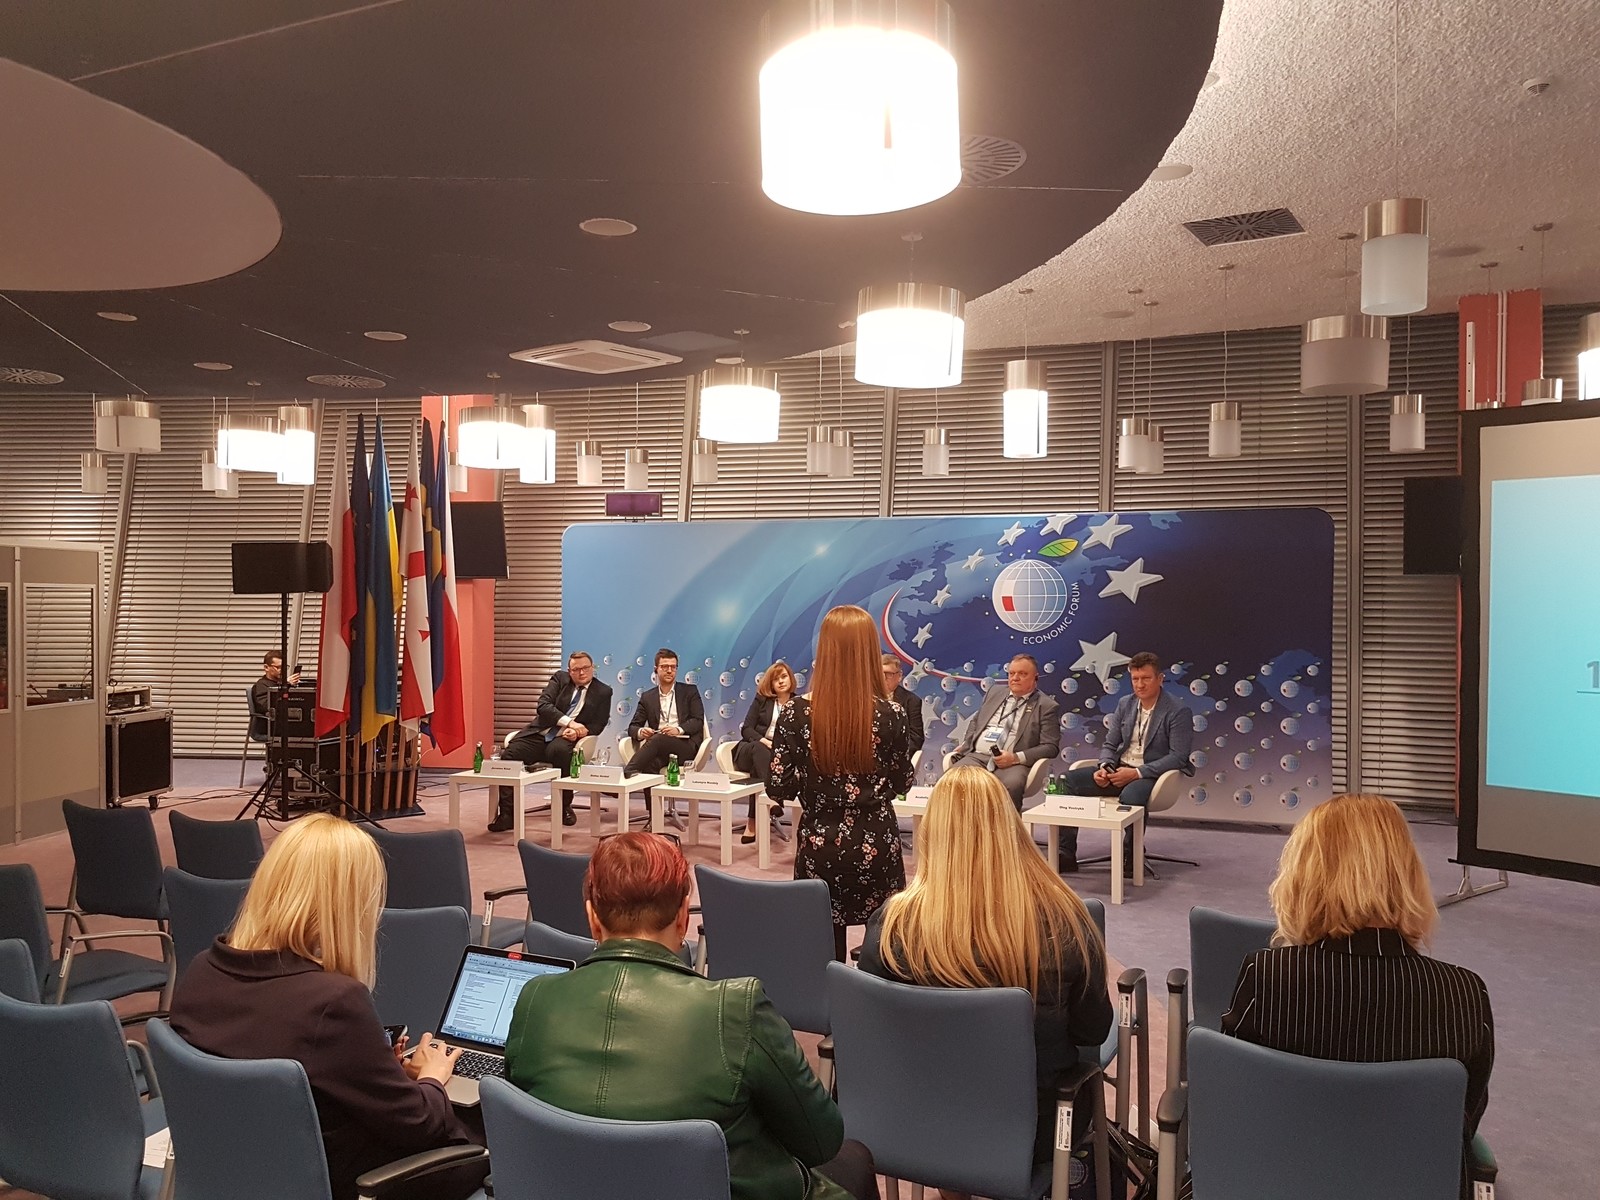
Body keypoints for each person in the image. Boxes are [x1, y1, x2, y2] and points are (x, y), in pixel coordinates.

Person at [503, 832, 879, 1200]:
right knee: (852, 1161)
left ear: (592, 917)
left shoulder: (535, 998)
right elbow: (822, 1140)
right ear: (684, 915)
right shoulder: (736, 1009)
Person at [168, 814, 487, 1200]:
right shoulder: (333, 1003)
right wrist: (433, 1076)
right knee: (489, 1133)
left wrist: (378, 1067)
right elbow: (420, 1125)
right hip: (338, 1181)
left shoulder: (202, 970)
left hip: (235, 1167)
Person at [1222, 792, 1494, 1197]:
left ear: (1304, 876)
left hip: (1287, 1182)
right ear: (1409, 875)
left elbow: (1236, 1098)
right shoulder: (1464, 994)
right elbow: (1463, 1118)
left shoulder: (1267, 977)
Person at [859, 767, 1112, 1198]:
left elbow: (872, 1027)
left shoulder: (892, 923)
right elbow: (1092, 1030)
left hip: (914, 1119)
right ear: (1011, 829)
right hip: (1032, 1132)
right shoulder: (1066, 920)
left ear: (932, 833)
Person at [768, 605, 915, 961]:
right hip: (877, 842)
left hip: (821, 845)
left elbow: (778, 786)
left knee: (821, 953)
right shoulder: (893, 714)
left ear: (825, 652)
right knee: (884, 948)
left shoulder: (795, 713)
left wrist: (812, 782)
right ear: (869, 652)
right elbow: (902, 782)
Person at [1057, 650, 1193, 874]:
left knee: (1131, 796)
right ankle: (1066, 852)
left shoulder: (1177, 710)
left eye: (1146, 678)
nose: (1140, 685)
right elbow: (1110, 744)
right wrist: (1104, 767)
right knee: (1065, 781)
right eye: (1135, 679)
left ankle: (1132, 853)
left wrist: (1137, 773)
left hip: (1151, 774)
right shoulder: (1125, 704)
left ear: (1160, 679)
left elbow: (1178, 756)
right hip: (1119, 769)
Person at [496, 650, 614, 831]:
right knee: (509, 755)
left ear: (593, 668)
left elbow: (599, 723)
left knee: (559, 752)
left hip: (566, 739)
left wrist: (580, 732)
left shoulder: (603, 691)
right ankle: (507, 813)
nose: (582, 673)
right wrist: (570, 723)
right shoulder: (560, 679)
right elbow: (543, 706)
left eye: (585, 668)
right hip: (541, 733)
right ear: (569, 671)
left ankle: (564, 806)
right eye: (576, 670)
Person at [948, 654, 1061, 809]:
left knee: (1012, 785)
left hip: (1012, 764)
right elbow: (976, 721)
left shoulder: (1046, 706)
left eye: (1022, 674)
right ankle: (961, 824)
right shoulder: (994, 692)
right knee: (951, 780)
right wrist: (968, 744)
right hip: (977, 757)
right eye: (1011, 673)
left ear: (1035, 678)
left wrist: (1015, 758)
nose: (1015, 678)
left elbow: (1050, 747)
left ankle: (1007, 825)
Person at [733, 660, 797, 844]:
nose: (781, 681)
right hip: (751, 749)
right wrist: (764, 741)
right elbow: (746, 729)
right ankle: (774, 799)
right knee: (759, 751)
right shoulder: (762, 701)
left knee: (759, 768)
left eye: (784, 677)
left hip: (778, 757)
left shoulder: (798, 703)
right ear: (771, 683)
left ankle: (752, 823)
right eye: (776, 679)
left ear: (791, 679)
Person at [625, 647, 706, 778]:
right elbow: (633, 727)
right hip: (659, 749)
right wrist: (641, 732)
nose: (669, 670)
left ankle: (627, 772)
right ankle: (649, 792)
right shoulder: (647, 697)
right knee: (650, 765)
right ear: (656, 669)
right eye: (664, 667)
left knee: (657, 739)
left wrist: (678, 730)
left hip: (685, 746)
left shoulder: (690, 691)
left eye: (673, 667)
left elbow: (698, 720)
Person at [880, 653, 926, 767]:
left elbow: (916, 737)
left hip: (897, 760)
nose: (883, 678)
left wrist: (895, 758)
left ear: (899, 676)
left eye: (888, 674)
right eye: (879, 673)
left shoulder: (911, 701)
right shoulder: (866, 699)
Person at [250, 649, 300, 739]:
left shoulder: (281, 684)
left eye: (284, 667)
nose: (282, 670)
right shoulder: (261, 685)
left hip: (286, 723)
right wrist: (285, 685)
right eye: (278, 667)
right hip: (268, 726)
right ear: (266, 667)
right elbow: (267, 706)